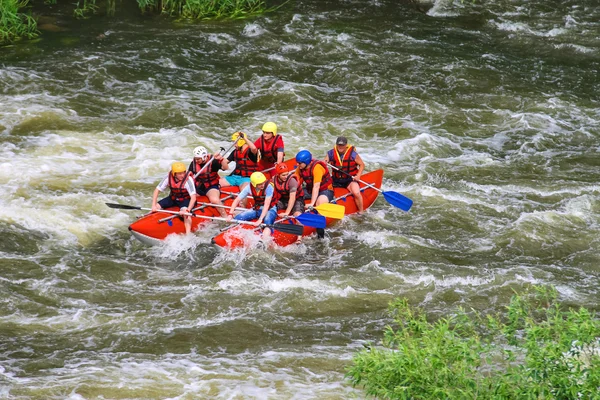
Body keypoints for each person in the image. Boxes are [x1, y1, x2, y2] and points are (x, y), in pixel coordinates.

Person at [226, 172, 278, 241]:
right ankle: (231, 233)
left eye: (263, 183)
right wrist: (230, 214)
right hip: (258, 208)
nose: (263, 185)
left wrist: (260, 219)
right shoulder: (249, 188)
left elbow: (267, 205)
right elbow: (237, 200)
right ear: (254, 184)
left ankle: (263, 240)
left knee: (267, 221)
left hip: (270, 209)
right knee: (239, 217)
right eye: (260, 184)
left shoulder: (269, 187)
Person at [295, 150, 334, 239]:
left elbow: (316, 186)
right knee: (297, 195)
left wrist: (312, 203)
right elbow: (295, 180)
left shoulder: (317, 168)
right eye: (297, 163)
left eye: (300, 163)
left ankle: (320, 234)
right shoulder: (300, 168)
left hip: (325, 190)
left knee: (320, 203)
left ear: (306, 162)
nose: (298, 165)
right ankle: (298, 211)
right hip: (310, 190)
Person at [151, 161, 197, 234]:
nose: (182, 175)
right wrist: (153, 205)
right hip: (173, 198)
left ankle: (188, 235)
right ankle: (150, 223)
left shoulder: (188, 180)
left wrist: (187, 210)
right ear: (174, 174)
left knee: (186, 215)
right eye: (180, 173)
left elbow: (193, 197)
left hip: (185, 200)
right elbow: (157, 190)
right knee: (156, 207)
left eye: (183, 172)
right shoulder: (168, 178)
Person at [324, 136, 365, 213]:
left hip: (349, 180)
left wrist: (358, 175)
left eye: (342, 145)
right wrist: (325, 162)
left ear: (346, 145)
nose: (340, 147)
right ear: (336, 145)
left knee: (356, 192)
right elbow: (325, 161)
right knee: (323, 189)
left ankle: (361, 211)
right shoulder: (331, 153)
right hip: (335, 179)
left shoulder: (353, 154)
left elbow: (362, 165)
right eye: (339, 145)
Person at [220, 131, 260, 207]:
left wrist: (244, 138)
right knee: (218, 183)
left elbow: (254, 148)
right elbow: (224, 163)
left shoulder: (250, 152)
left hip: (247, 178)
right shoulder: (235, 152)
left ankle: (243, 208)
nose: (234, 145)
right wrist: (219, 160)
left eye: (235, 143)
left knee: (244, 191)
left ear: (241, 142)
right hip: (234, 177)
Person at [188, 146, 229, 218]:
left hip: (211, 186)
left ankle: (225, 216)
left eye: (198, 159)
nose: (197, 161)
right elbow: (189, 175)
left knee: (214, 200)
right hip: (199, 186)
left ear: (204, 156)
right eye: (196, 159)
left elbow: (225, 168)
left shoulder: (213, 161)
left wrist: (222, 160)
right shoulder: (193, 163)